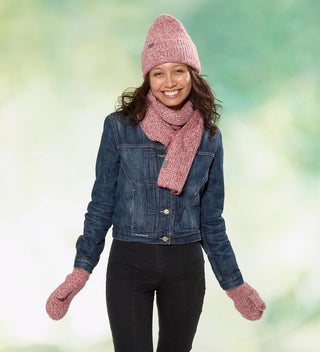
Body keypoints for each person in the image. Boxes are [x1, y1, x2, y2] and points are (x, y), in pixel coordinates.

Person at [46, 14, 266, 352]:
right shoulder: (120, 128)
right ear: (147, 79)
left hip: (185, 266)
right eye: (157, 73)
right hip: (129, 263)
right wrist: (81, 269)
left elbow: (212, 220)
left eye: (178, 70)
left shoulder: (209, 137)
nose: (169, 81)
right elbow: (102, 204)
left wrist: (233, 283)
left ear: (193, 73)